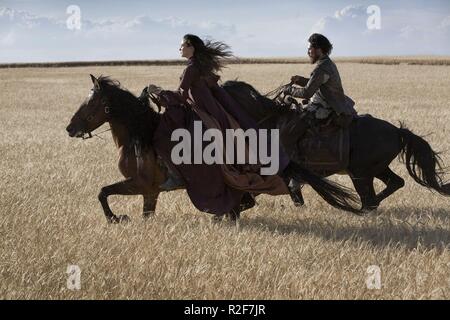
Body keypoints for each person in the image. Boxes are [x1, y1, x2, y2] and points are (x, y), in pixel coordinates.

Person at [150, 34, 290, 215]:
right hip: (215, 111)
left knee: (167, 133)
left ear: (191, 47)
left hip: (202, 111)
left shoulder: (191, 68)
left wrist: (160, 93)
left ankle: (175, 175)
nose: (180, 49)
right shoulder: (200, 65)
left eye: (182, 45)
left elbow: (182, 95)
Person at [280, 33, 357, 158]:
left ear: (318, 49)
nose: (308, 52)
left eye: (310, 48)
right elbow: (317, 84)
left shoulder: (322, 68)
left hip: (325, 107)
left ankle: (297, 162)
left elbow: (307, 93)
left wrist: (289, 90)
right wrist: (300, 80)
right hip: (330, 103)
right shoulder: (327, 63)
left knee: (288, 134)